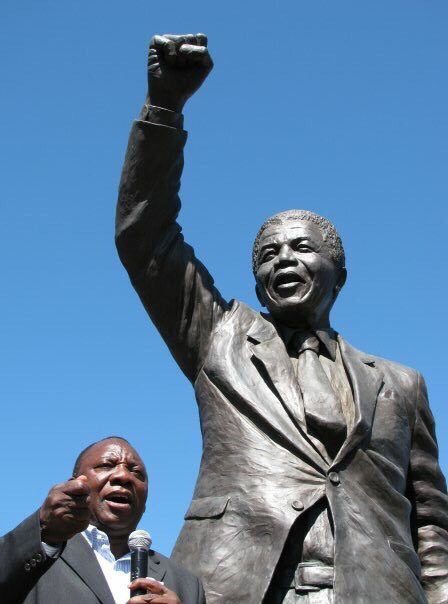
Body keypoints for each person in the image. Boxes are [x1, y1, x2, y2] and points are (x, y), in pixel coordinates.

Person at [114, 33, 448, 604]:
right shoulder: (219, 336)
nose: (283, 260)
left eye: (300, 248)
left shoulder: (401, 384)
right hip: (239, 588)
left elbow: (432, 522)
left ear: (337, 273)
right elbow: (145, 236)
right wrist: (165, 108)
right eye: (268, 255)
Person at [0, 436, 205, 604]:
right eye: (107, 465)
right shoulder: (41, 554)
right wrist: (45, 531)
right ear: (75, 485)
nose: (124, 476)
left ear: (145, 501)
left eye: (137, 473)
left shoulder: (186, 584)